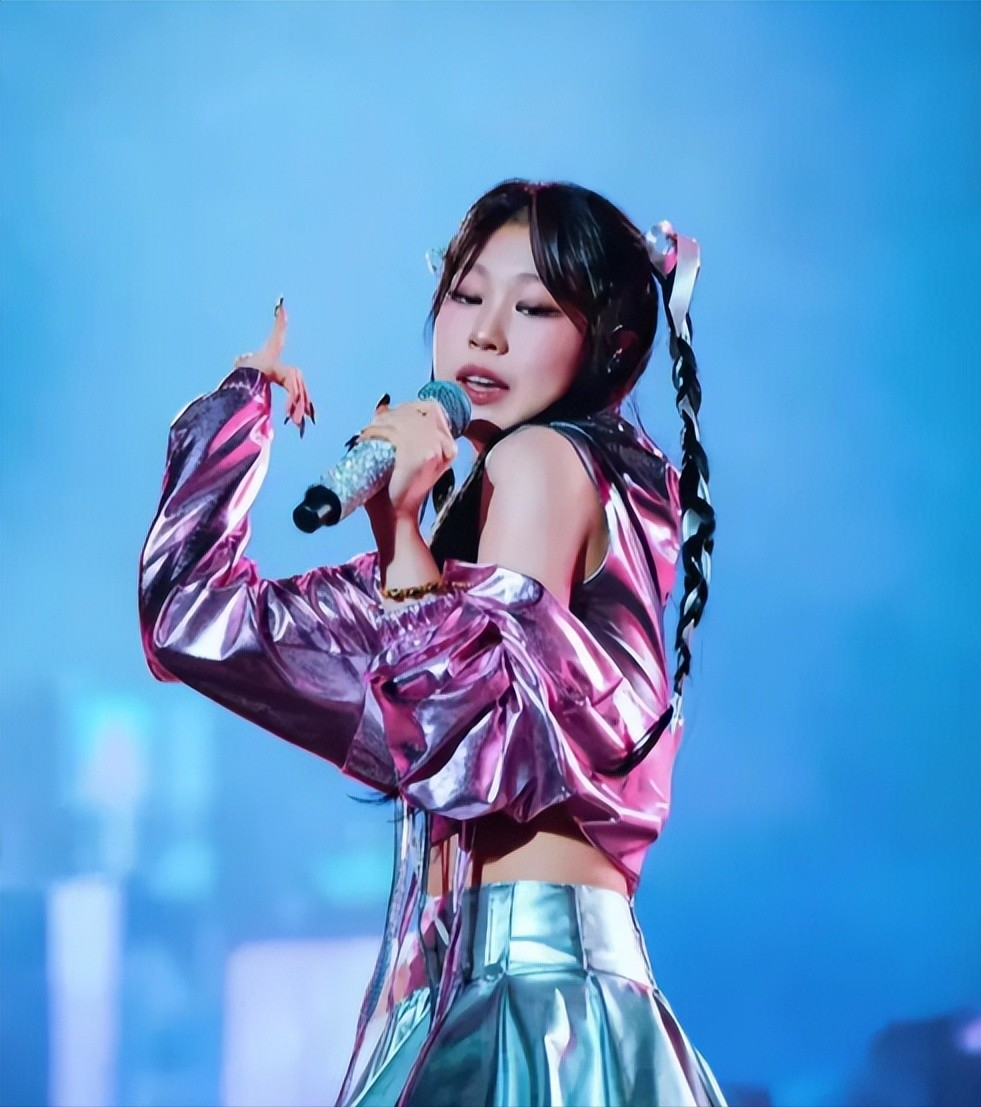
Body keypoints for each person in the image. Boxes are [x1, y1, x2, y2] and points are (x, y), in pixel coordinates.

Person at [138, 179, 726, 1107]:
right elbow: (197, 622)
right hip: (494, 993)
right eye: (466, 295)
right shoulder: (486, 533)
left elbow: (485, 745)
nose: (485, 334)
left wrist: (404, 536)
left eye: (533, 307)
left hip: (533, 1006)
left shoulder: (540, 462)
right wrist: (245, 407)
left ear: (612, 342)